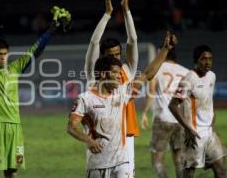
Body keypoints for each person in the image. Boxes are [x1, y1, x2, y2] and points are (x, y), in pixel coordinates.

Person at [0, 7, 71, 178]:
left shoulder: (15, 68)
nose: (3, 57)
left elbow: (35, 51)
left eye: (5, 54)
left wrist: (51, 29)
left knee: (12, 173)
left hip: (15, 126)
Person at [68, 31, 176, 178]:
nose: (120, 77)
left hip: (122, 163)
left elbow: (147, 74)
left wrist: (165, 49)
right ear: (104, 74)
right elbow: (71, 127)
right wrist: (88, 140)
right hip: (97, 164)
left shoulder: (123, 92)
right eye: (116, 73)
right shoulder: (85, 99)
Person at [84, 0, 138, 176]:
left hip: (126, 134)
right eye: (110, 55)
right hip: (102, 137)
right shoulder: (95, 77)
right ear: (102, 57)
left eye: (117, 54)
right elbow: (93, 43)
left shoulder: (127, 71)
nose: (115, 57)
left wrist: (126, 11)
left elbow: (132, 40)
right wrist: (107, 14)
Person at [169, 45, 227, 178]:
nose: (207, 62)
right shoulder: (188, 79)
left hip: (209, 134)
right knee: (189, 174)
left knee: (221, 171)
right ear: (196, 60)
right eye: (203, 59)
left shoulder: (212, 76)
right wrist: (188, 129)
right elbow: (173, 105)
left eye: (210, 59)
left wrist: (212, 121)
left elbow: (208, 99)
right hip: (193, 135)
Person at [140, 35, 189, 178]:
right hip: (180, 119)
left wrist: (144, 113)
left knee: (157, 160)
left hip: (163, 118)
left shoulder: (157, 69)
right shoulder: (185, 71)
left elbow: (151, 92)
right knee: (179, 159)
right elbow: (187, 99)